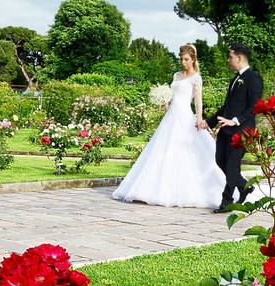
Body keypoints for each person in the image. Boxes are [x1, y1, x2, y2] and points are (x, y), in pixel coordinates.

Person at [112, 44, 225, 209]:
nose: (183, 62)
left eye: (186, 59)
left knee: (185, 149)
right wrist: (165, 101)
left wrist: (199, 119)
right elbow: (174, 96)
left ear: (193, 59)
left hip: (185, 116)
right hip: (170, 116)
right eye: (181, 59)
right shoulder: (176, 75)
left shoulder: (196, 78)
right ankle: (149, 189)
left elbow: (197, 100)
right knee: (161, 149)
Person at [198, 43, 264, 213]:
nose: (229, 60)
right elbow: (226, 106)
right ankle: (244, 186)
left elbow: (254, 106)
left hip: (242, 131)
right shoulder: (235, 79)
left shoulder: (253, 78)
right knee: (220, 160)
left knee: (232, 165)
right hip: (226, 130)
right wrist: (209, 122)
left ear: (239, 58)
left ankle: (227, 201)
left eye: (230, 57)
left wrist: (235, 121)